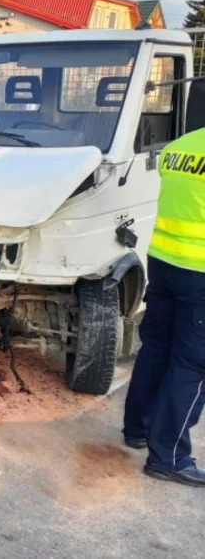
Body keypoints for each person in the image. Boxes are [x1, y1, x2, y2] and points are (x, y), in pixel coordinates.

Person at [123, 129, 205, 487]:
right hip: (201, 273)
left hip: (164, 262)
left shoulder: (181, 146)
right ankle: (169, 457)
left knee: (156, 348)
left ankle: (137, 429)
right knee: (192, 363)